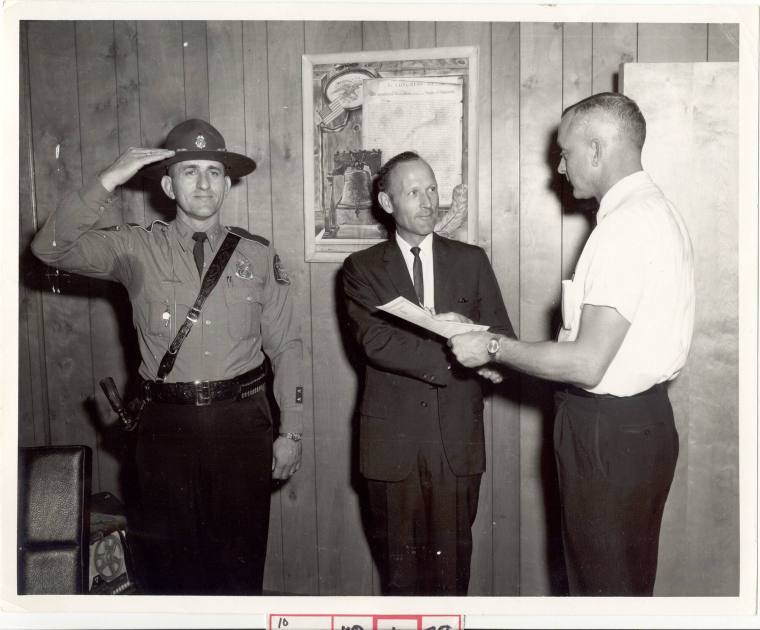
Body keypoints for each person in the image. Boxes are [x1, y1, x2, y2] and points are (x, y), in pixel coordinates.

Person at [31, 119, 304, 595]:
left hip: (241, 426)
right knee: (168, 570)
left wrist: (291, 431)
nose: (203, 184)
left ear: (227, 182)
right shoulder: (135, 247)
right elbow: (50, 248)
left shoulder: (257, 256)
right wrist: (109, 178)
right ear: (167, 184)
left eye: (214, 172)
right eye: (189, 171)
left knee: (238, 567)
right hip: (165, 429)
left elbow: (287, 347)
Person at [447, 93, 695, 596]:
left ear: (598, 150)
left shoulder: (623, 229)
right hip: (642, 427)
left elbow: (586, 363)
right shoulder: (657, 211)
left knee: (600, 594)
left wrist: (491, 346)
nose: (559, 168)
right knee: (624, 588)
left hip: (606, 434)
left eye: (565, 152)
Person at [341, 151, 514, 595]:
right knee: (399, 578)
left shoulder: (471, 260)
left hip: (455, 443)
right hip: (391, 445)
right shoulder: (361, 268)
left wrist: (492, 352)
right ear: (386, 201)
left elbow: (501, 338)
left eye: (432, 189)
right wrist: (462, 350)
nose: (427, 201)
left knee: (453, 575)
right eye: (413, 191)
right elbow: (376, 343)